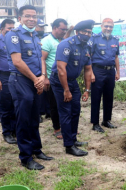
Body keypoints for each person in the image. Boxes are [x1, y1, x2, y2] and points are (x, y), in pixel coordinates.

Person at [5, 5, 53, 170]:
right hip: (21, 81)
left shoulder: (35, 35)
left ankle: (36, 150)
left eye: (34, 16)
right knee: (24, 119)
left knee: (34, 117)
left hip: (35, 81)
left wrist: (42, 77)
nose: (31, 19)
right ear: (20, 18)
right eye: (27, 16)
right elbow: (17, 62)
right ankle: (26, 158)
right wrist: (35, 79)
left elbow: (40, 59)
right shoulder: (13, 36)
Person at [50, 20, 94, 156]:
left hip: (72, 81)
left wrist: (87, 90)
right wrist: (66, 90)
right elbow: (61, 69)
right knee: (66, 112)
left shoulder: (87, 47)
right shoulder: (66, 45)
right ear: (77, 32)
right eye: (84, 32)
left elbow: (88, 70)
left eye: (89, 32)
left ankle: (73, 139)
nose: (87, 34)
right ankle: (69, 146)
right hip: (60, 82)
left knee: (76, 110)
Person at [88, 18, 120, 133]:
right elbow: (89, 57)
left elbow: (116, 57)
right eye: (106, 26)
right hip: (98, 71)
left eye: (110, 26)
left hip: (110, 72)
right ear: (101, 26)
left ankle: (106, 120)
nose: (108, 28)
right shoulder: (95, 38)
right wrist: (91, 73)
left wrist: (118, 72)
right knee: (96, 97)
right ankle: (95, 123)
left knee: (109, 97)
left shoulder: (115, 40)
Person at [41, 18, 69, 139]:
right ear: (55, 28)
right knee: (54, 104)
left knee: (66, 103)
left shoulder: (64, 41)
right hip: (52, 78)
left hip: (65, 77)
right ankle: (57, 129)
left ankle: (66, 127)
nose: (64, 31)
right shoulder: (47, 41)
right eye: (62, 29)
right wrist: (45, 78)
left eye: (65, 29)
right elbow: (42, 59)